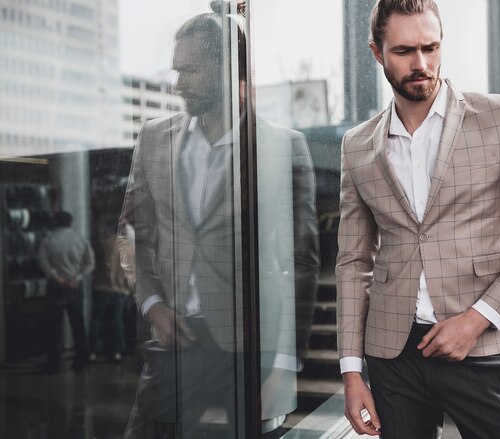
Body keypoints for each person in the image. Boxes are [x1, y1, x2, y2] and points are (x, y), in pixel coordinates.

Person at [336, 1, 500, 437]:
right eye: (405, 51)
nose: (421, 63)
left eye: (431, 47)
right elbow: (353, 262)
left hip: (480, 348)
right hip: (393, 356)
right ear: (377, 53)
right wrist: (352, 372)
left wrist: (476, 319)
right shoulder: (356, 144)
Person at [118, 7, 319, 439]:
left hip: (250, 349)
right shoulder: (154, 138)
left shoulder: (283, 147)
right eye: (177, 70)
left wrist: (285, 365)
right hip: (175, 342)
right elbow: (131, 234)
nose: (178, 84)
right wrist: (153, 306)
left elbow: (300, 261)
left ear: (226, 70)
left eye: (190, 71)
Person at [38, 210, 95, 372]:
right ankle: (81, 359)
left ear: (55, 222)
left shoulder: (49, 239)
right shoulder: (79, 239)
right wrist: (77, 276)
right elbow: (90, 262)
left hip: (56, 285)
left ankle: (53, 363)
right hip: (75, 285)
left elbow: (43, 262)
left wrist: (57, 277)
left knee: (53, 325)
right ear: (70, 222)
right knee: (77, 323)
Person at [89, 216, 131, 362]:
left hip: (101, 287)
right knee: (117, 320)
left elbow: (92, 264)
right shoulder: (128, 249)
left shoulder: (103, 245)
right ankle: (116, 352)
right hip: (120, 289)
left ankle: (92, 352)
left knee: (96, 320)